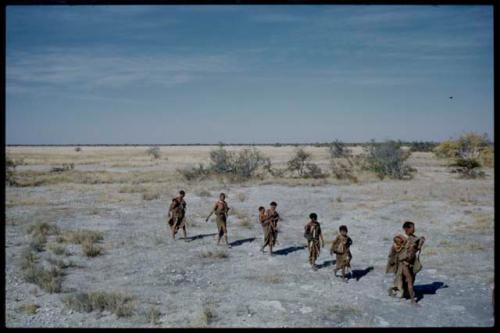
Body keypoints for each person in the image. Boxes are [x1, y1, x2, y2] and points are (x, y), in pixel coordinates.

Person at [386, 221, 425, 304]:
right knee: (409, 279)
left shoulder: (414, 238)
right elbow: (395, 250)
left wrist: (420, 244)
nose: (414, 229)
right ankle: (413, 301)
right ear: (406, 229)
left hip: (411, 263)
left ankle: (405, 293)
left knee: (411, 279)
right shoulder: (400, 239)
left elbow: (415, 250)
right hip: (403, 264)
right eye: (412, 228)